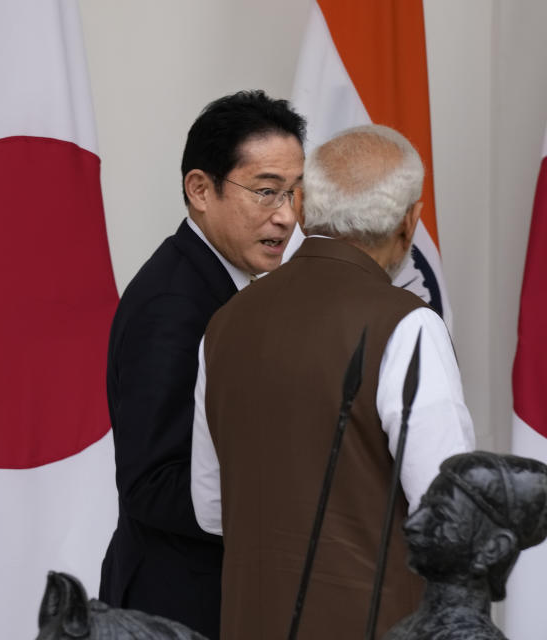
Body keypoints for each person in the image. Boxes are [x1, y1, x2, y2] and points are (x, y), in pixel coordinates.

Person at [190, 124, 475, 639]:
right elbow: (452, 525)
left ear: (301, 207)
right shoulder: (409, 326)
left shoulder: (225, 323)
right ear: (410, 222)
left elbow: (212, 511)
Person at [98, 90, 306, 639]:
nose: (285, 217)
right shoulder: (174, 307)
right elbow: (150, 484)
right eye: (266, 192)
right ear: (200, 189)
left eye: (294, 192)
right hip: (176, 606)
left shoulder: (229, 286)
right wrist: (291, 498)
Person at [385, 452, 547, 640]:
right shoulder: (409, 628)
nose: (411, 523)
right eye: (423, 506)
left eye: (441, 514)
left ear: (493, 548)